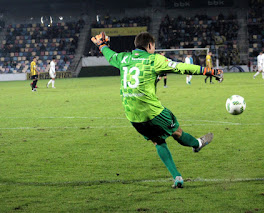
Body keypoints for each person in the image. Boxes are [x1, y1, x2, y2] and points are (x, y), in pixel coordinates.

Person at [91, 32, 222, 188]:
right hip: (153, 111)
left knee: (157, 141)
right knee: (177, 131)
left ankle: (177, 177)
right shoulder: (154, 60)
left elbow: (110, 55)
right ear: (150, 46)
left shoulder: (124, 58)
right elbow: (181, 67)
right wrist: (209, 71)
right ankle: (197, 144)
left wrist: (101, 45)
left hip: (133, 115)